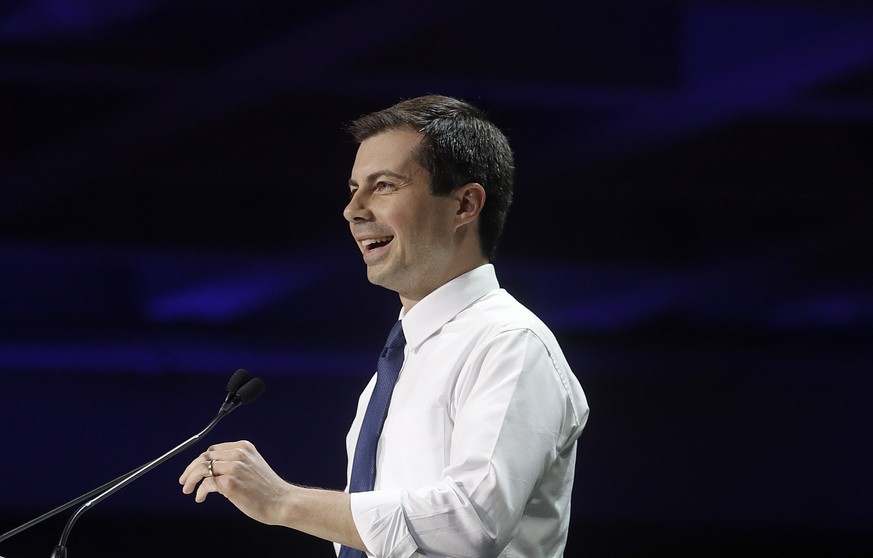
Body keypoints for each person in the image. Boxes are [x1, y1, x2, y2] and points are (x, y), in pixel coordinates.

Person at [179, 94, 589, 557]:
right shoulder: (399, 364)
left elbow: (470, 523)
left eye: (385, 186)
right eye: (354, 188)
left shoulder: (509, 344)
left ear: (464, 205)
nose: (352, 209)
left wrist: (283, 501)